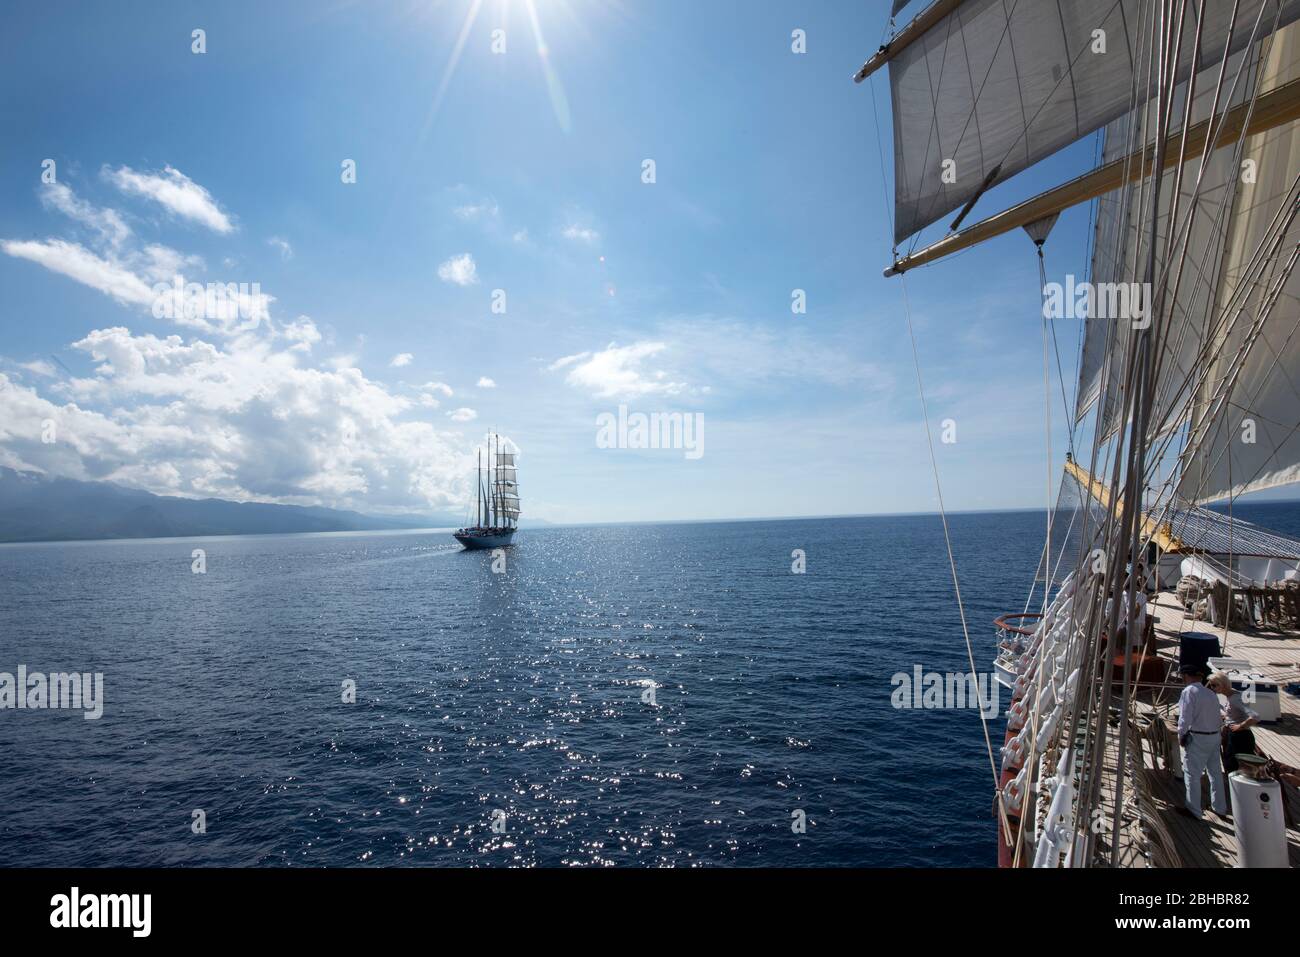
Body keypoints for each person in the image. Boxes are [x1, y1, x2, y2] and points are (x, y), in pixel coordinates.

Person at [1176, 662, 1228, 819]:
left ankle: (1194, 810)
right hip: (1214, 737)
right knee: (1215, 773)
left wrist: (1181, 735)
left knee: (1192, 774)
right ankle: (1220, 808)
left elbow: (1185, 718)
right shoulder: (1210, 693)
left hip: (1199, 738)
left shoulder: (1189, 692)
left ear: (1186, 676)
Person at [1207, 671, 1259, 773]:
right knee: (1232, 763)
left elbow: (1255, 716)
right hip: (1235, 734)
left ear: (1222, 685)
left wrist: (1240, 726)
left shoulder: (1234, 699)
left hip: (1240, 737)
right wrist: (1226, 716)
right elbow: (1235, 712)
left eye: (1213, 685)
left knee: (1233, 766)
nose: (1211, 688)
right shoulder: (1232, 693)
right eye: (1210, 685)